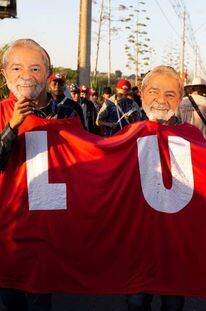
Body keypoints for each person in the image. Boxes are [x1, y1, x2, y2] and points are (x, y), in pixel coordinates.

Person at [0, 39, 84, 311]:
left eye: (35, 69)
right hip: (10, 223)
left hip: (50, 222)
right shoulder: (2, 111)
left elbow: (87, 159)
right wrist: (12, 126)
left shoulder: (69, 111)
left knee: (40, 298)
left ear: (48, 73)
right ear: (5, 74)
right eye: (16, 69)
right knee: (11, 297)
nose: (26, 76)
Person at [126, 65, 186, 311]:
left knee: (172, 302)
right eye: (154, 92)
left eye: (170, 94)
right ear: (141, 94)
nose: (161, 100)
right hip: (138, 240)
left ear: (180, 99)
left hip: (175, 241)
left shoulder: (190, 136)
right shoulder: (124, 134)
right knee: (137, 302)